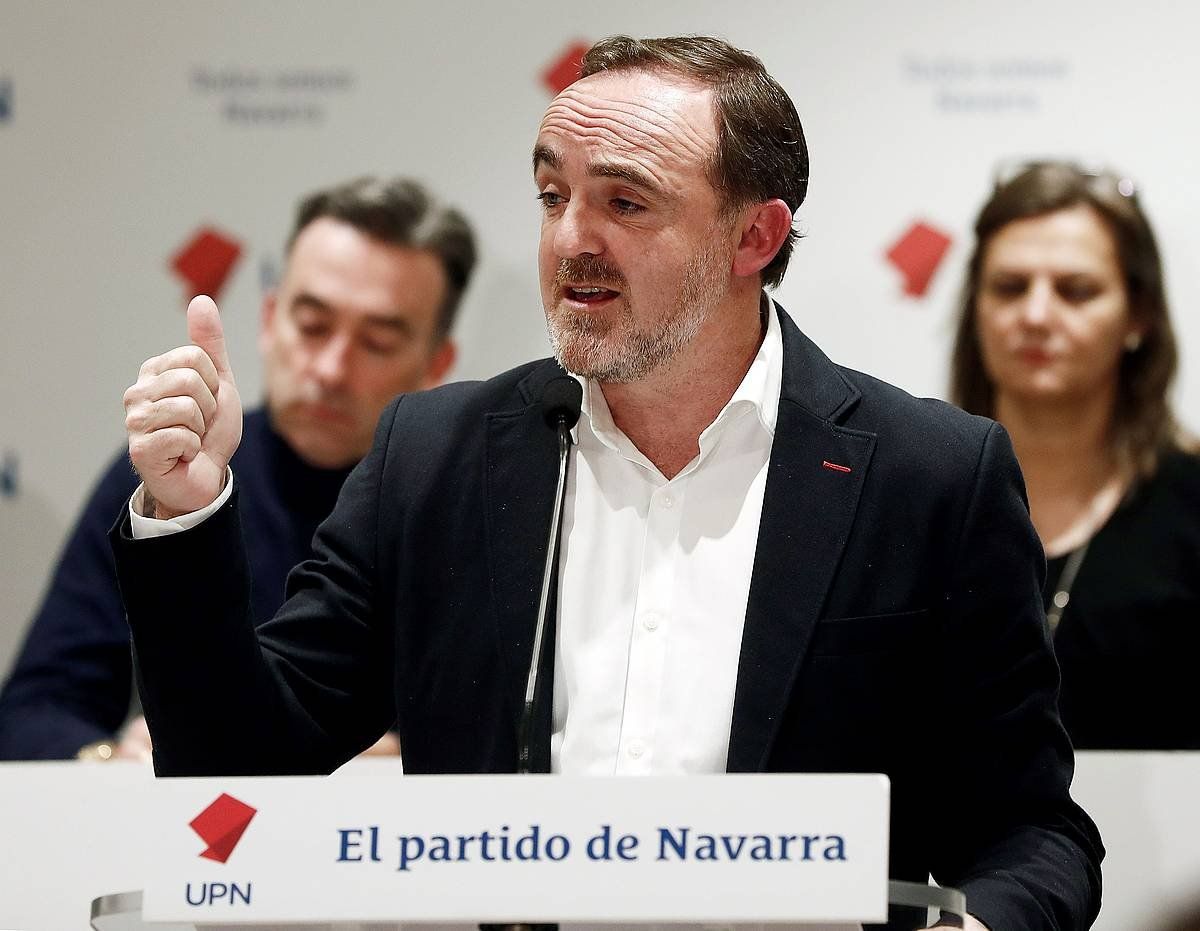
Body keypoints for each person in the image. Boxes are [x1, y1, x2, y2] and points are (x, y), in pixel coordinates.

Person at [110, 37, 1102, 930]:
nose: (570, 240)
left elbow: (1032, 833)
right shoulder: (436, 455)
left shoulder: (928, 476)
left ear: (755, 238)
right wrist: (186, 511)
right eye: (553, 197)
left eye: (625, 203)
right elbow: (239, 763)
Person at [0, 175, 475, 761]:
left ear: (437, 363)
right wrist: (112, 760)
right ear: (269, 319)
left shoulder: (468, 502)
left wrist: (400, 760)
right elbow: (33, 714)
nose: (330, 369)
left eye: (376, 341)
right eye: (312, 325)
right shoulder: (171, 477)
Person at [950, 161, 1200, 749]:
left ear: (1138, 316)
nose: (1036, 315)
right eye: (1010, 287)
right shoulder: (907, 498)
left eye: (1076, 290)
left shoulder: (1191, 504)